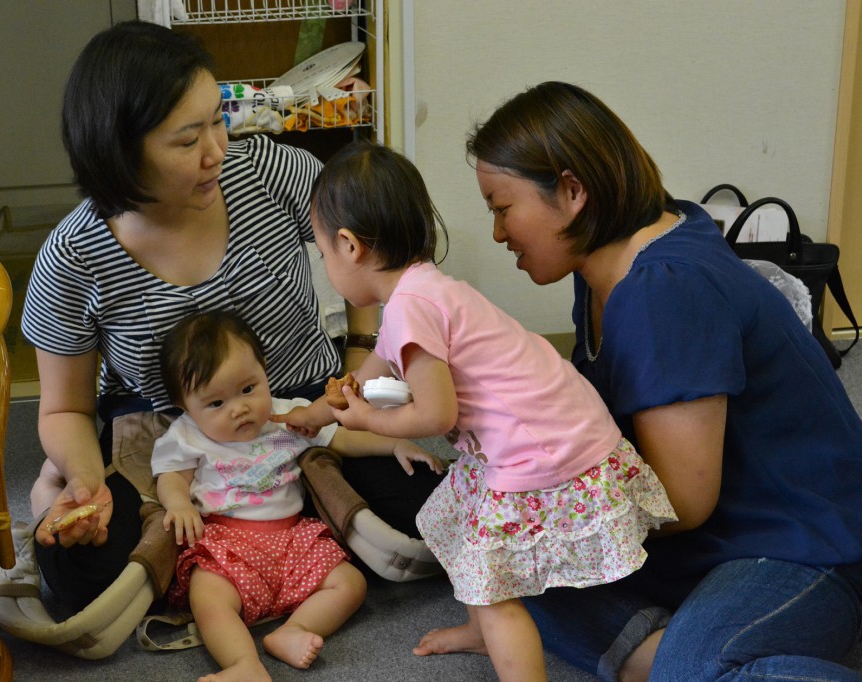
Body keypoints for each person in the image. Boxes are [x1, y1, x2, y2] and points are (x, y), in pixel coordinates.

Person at [446, 80, 862, 681]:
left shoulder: (663, 289)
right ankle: (668, 655)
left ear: (571, 192)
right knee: (492, 551)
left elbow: (685, 501)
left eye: (502, 208)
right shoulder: (605, 264)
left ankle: (675, 660)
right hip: (718, 536)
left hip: (805, 544)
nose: (497, 233)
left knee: (682, 658)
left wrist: (540, 502)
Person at [20, 20, 439, 612]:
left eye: (218, 120)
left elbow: (360, 243)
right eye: (188, 140)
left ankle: (255, 536)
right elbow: (65, 407)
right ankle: (59, 485)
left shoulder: (266, 172)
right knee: (78, 573)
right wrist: (86, 478)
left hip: (300, 402)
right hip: (169, 430)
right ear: (119, 151)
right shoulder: (74, 255)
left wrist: (358, 358)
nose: (216, 151)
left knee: (434, 507)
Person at [272, 141, 677, 681]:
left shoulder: (413, 308)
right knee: (454, 519)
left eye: (322, 254)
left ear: (348, 246)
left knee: (492, 585)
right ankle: (478, 633)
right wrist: (319, 414)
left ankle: (508, 656)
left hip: (540, 449)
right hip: (546, 427)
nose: (326, 264)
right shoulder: (419, 291)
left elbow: (436, 417)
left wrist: (368, 422)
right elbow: (371, 374)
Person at [151, 309, 442, 680]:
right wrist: (177, 502)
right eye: (216, 403)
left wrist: (393, 445)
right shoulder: (187, 434)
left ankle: (295, 630)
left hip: (293, 537)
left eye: (248, 388)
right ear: (185, 406)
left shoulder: (287, 417)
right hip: (227, 543)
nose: (239, 408)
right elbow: (170, 474)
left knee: (350, 583)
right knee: (208, 599)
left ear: (264, 371)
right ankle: (243, 665)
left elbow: (341, 436)